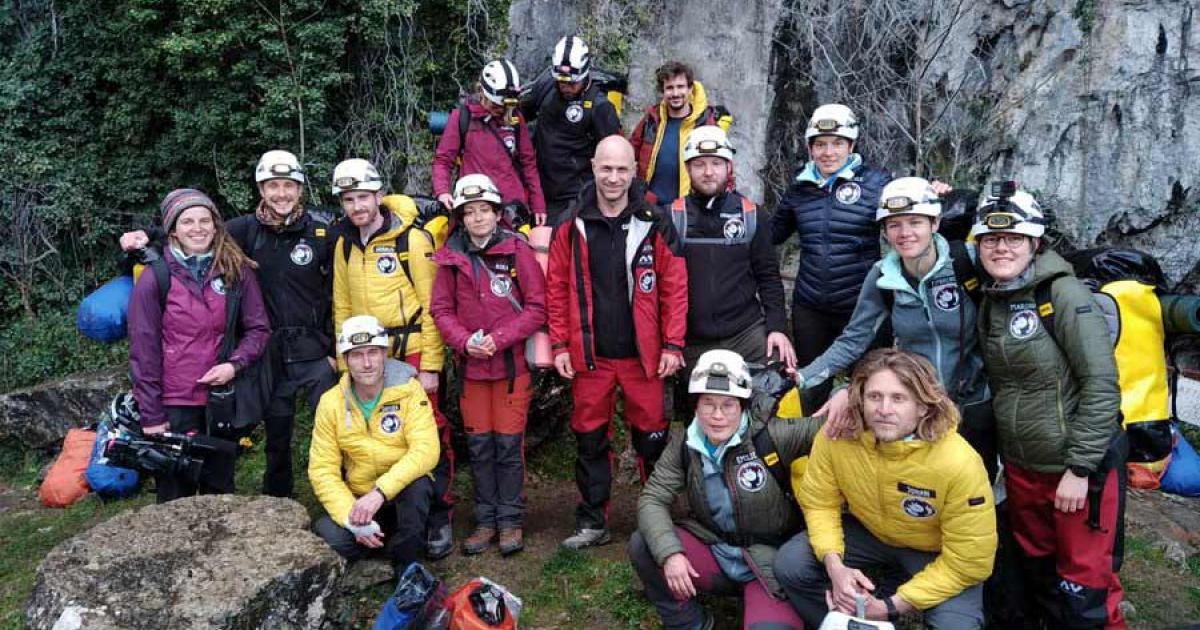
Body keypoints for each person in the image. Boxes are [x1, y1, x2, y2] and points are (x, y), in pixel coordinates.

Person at [972, 187, 1127, 628]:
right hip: (1023, 467)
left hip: (1076, 470)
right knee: (1039, 576)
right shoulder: (994, 299)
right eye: (990, 240)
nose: (1002, 248)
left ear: (1035, 242)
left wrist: (1079, 469)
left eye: (1014, 239)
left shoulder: (1065, 295)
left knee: (1086, 588)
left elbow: (1101, 385)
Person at [775, 349, 996, 629]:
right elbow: (820, 502)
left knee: (957, 626)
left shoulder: (959, 463)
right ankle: (844, 619)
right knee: (791, 564)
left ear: (923, 406)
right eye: (874, 397)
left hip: (935, 551)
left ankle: (878, 612)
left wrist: (890, 607)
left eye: (898, 398)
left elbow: (969, 562)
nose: (884, 409)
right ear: (860, 399)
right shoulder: (837, 437)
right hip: (870, 533)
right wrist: (835, 567)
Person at [795, 177, 996, 481]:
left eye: (915, 222)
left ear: (935, 222)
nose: (904, 233)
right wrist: (800, 378)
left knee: (977, 490)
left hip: (975, 402)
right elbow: (853, 340)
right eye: (894, 225)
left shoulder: (966, 262)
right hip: (919, 407)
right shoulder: (883, 277)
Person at [546, 135, 688, 550]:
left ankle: (656, 520)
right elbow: (555, 287)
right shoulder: (570, 222)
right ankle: (593, 521)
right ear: (593, 167)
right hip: (590, 357)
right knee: (589, 438)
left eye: (622, 169)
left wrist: (673, 345)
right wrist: (558, 346)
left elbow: (674, 287)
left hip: (643, 358)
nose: (613, 177)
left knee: (652, 441)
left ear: (633, 171)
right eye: (606, 168)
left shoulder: (653, 218)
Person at [629, 350, 820, 630]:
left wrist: (845, 398)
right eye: (708, 404)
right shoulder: (685, 445)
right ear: (696, 406)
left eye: (728, 405)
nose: (717, 416)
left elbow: (832, 430)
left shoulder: (772, 436)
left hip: (769, 564)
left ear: (742, 406)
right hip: (714, 552)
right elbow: (652, 498)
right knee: (645, 543)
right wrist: (670, 554)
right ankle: (688, 622)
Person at [330, 158, 455, 560]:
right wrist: (342, 359)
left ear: (379, 195)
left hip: (411, 345)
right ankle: (386, 510)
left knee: (429, 432)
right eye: (348, 199)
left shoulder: (411, 241)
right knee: (378, 432)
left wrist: (432, 364)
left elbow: (433, 303)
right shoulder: (344, 244)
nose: (356, 207)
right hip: (364, 351)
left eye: (363, 197)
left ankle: (439, 514)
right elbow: (341, 305)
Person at [127, 188, 271, 502]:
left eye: (205, 220)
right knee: (175, 494)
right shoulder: (155, 278)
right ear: (172, 231)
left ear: (216, 225)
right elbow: (143, 351)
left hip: (221, 399)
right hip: (174, 403)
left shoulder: (235, 270)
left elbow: (259, 328)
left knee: (219, 489)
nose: (198, 228)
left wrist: (234, 365)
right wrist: (151, 415)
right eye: (187, 221)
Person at [430, 174, 546, 557]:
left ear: (498, 213)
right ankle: (485, 521)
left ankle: (511, 521)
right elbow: (441, 309)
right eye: (470, 211)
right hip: (472, 371)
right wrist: (464, 341)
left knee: (508, 448)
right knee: (479, 448)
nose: (478, 217)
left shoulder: (517, 251)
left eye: (485, 210)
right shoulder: (450, 257)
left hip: (511, 369)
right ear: (460, 216)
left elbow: (536, 308)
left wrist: (500, 338)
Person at [770, 103, 892, 413]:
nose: (828, 152)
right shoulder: (800, 189)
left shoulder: (877, 183)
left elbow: (910, 225)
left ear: (851, 145)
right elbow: (769, 235)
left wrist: (941, 199)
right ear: (810, 147)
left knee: (868, 385)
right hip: (811, 306)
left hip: (861, 305)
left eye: (837, 143)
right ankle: (812, 451)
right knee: (811, 383)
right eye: (820, 144)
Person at [309, 316, 439, 576]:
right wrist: (351, 518)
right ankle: (383, 541)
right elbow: (322, 469)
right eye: (357, 355)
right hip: (359, 498)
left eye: (373, 353)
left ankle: (406, 567)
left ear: (384, 355)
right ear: (346, 360)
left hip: (399, 493)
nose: (367, 363)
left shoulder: (409, 391)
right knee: (328, 532)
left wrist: (380, 493)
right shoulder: (330, 403)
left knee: (419, 485)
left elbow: (426, 450)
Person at [669, 125, 793, 373]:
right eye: (699, 164)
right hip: (690, 340)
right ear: (687, 169)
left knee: (780, 371)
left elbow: (768, 277)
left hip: (744, 334)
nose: (708, 172)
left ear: (728, 167)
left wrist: (777, 328)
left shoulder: (751, 215)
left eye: (716, 163)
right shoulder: (672, 217)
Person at [520, 35, 622, 223]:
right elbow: (518, 116)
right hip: (542, 190)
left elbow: (614, 155)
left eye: (572, 83)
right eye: (561, 82)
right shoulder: (546, 87)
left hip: (577, 195)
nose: (566, 87)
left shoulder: (600, 107)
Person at [432, 58, 546, 225]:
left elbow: (528, 163)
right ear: (483, 94)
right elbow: (443, 160)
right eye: (496, 106)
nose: (501, 111)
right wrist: (442, 191)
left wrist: (538, 205)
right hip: (475, 205)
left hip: (511, 209)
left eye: (505, 107)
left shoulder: (514, 119)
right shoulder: (462, 117)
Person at [629, 61, 732, 206]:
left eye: (680, 87)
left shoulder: (705, 123)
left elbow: (724, 168)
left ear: (690, 89)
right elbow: (629, 153)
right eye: (670, 88)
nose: (675, 93)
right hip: (650, 207)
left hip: (690, 210)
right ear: (662, 91)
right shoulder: (651, 120)